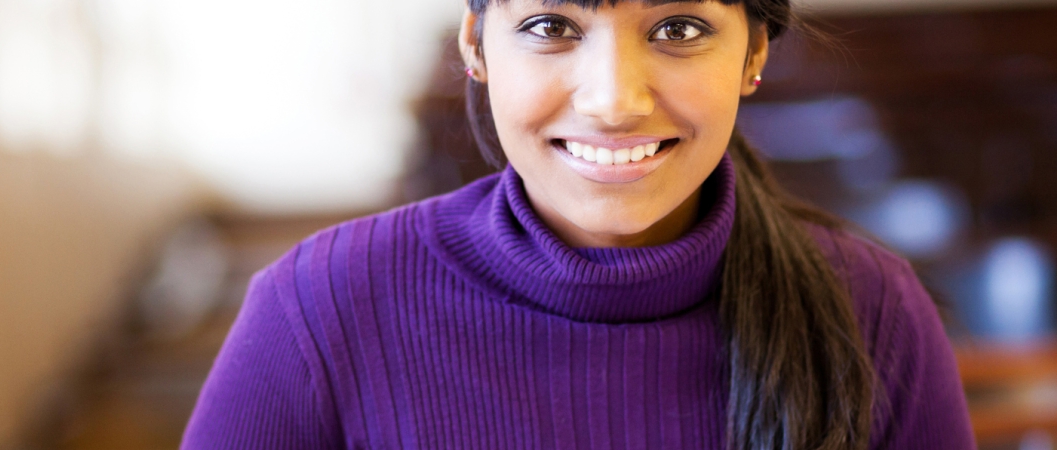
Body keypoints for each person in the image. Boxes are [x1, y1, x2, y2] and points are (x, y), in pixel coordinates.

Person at [182, 0, 976, 448]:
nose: (612, 98)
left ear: (753, 54)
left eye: (678, 29)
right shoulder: (321, 306)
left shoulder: (869, 309)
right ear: (476, 43)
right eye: (552, 26)